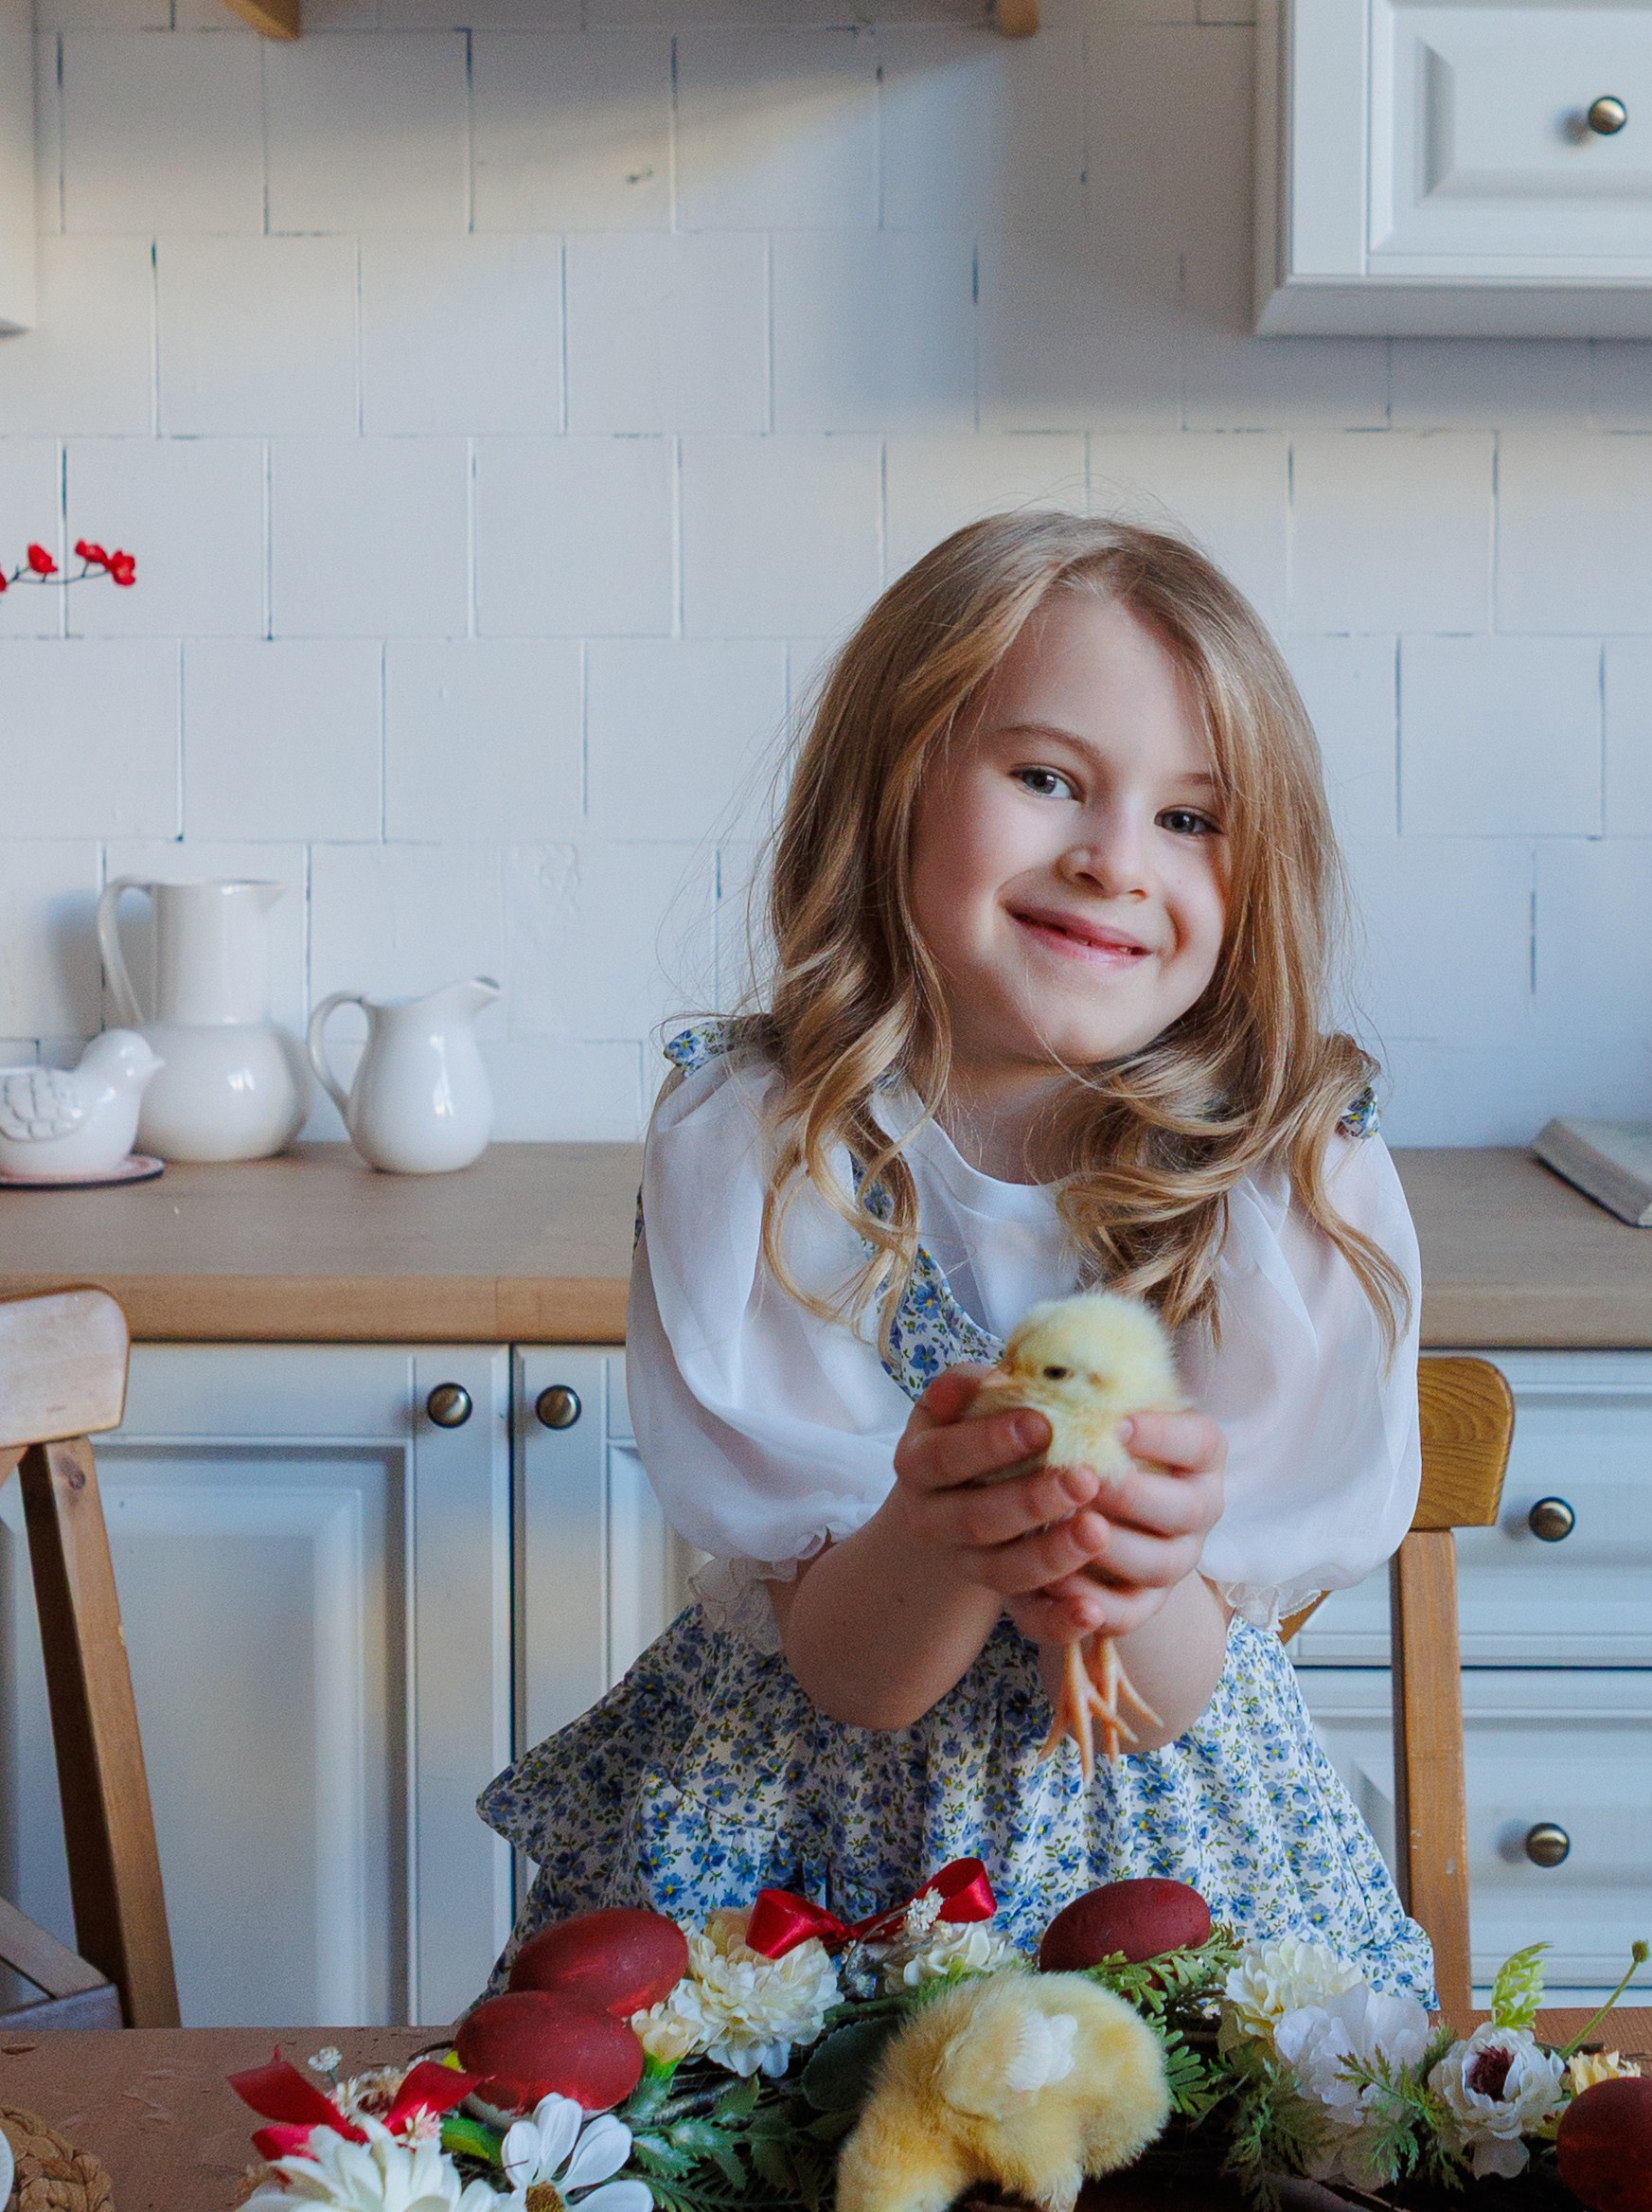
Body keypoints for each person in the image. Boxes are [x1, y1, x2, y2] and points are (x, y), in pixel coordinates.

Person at [481, 512, 1433, 2005]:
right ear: (894, 786)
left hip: (1159, 1886)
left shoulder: (1285, 1179)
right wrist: (944, 1526)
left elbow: (1158, 1705)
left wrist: (1137, 1564)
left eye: (1193, 817)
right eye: (1048, 779)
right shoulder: (768, 1152)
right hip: (805, 1885)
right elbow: (860, 1680)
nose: (1118, 862)